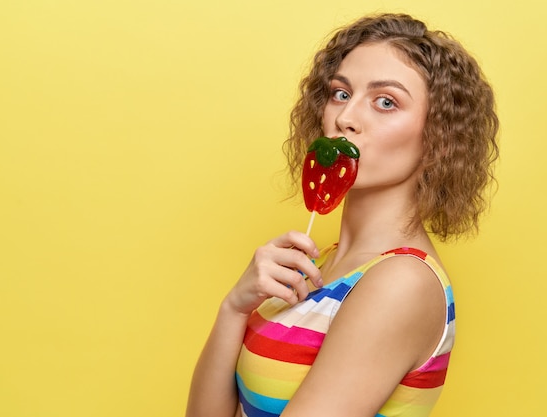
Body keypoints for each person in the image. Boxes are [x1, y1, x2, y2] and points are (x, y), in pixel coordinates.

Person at [186, 13, 498, 417]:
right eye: (340, 93)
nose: (346, 119)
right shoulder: (320, 265)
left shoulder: (402, 283)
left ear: (439, 138)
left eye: (386, 102)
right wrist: (235, 308)